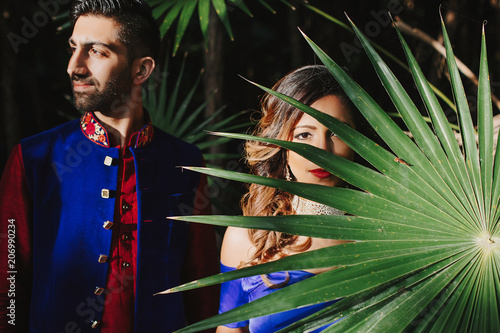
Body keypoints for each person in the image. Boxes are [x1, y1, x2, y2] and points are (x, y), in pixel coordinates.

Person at [0, 0, 219, 332]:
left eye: (97, 52)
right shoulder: (34, 158)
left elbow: (201, 284)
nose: (74, 66)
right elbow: (9, 279)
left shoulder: (185, 162)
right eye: (74, 48)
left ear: (141, 70)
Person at [217, 65, 356, 332]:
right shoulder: (247, 237)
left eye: (337, 132)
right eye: (305, 135)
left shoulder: (387, 231)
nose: (322, 150)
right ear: (282, 143)